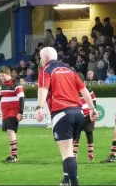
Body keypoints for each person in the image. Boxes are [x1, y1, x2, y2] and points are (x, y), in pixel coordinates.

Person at [35, 47, 98, 186]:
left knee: (67, 152)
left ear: (45, 57)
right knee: (69, 150)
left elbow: (43, 89)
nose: (40, 59)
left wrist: (39, 107)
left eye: (40, 57)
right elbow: (84, 90)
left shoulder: (46, 70)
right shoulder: (70, 70)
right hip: (79, 114)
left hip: (62, 113)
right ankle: (66, 181)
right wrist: (92, 108)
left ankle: (74, 183)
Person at [0, 66, 25, 163]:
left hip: (13, 111)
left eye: (3, 76)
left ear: (8, 74)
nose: (1, 78)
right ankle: (12, 154)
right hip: (5, 112)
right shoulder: (1, 85)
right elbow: (2, 98)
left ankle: (14, 156)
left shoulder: (15, 83)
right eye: (0, 76)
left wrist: (20, 112)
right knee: (10, 133)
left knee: (10, 131)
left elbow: (21, 98)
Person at [73, 86, 97, 161]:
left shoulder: (89, 89)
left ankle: (90, 154)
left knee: (89, 134)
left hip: (88, 116)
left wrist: (93, 112)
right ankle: (74, 155)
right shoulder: (73, 89)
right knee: (76, 135)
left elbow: (94, 101)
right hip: (77, 115)